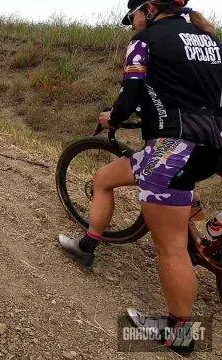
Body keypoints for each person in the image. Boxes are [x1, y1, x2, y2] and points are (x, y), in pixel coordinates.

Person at [58, 0, 222, 352]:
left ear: (148, 8)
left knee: (171, 246)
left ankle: (180, 333)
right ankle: (88, 245)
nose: (131, 22)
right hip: (209, 140)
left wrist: (112, 118)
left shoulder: (146, 41)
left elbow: (130, 96)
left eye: (132, 15)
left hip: (174, 147)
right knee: (104, 178)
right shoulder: (209, 38)